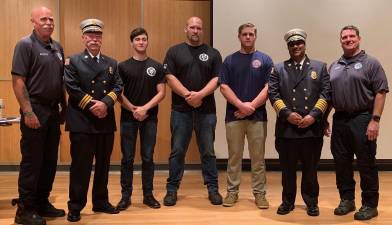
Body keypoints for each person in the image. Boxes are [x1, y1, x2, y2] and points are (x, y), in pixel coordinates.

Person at [11, 6, 66, 225]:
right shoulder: (25, 45)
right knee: (33, 162)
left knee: (49, 161)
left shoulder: (57, 47)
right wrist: (28, 111)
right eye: (43, 19)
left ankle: (42, 203)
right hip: (35, 109)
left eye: (51, 19)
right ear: (33, 21)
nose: (48, 22)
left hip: (53, 111)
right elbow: (18, 80)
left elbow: (60, 80)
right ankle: (25, 210)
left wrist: (64, 107)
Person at [327, 25, 389, 220]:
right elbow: (329, 96)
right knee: (341, 162)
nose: (348, 39)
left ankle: (370, 204)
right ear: (340, 41)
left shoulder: (371, 63)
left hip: (362, 118)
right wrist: (323, 119)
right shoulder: (334, 65)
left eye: (352, 36)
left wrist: (375, 120)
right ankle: (347, 200)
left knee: (366, 162)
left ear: (359, 39)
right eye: (344, 37)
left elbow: (381, 92)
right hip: (340, 119)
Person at [64, 18, 123, 222]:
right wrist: (94, 106)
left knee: (103, 165)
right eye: (90, 36)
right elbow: (72, 88)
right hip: (82, 121)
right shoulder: (73, 61)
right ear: (83, 38)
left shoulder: (111, 63)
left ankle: (100, 201)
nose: (94, 39)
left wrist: (105, 104)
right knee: (81, 166)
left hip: (105, 121)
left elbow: (118, 86)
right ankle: (75, 206)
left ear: (101, 39)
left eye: (98, 36)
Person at [268, 28, 330, 216]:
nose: (296, 46)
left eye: (299, 43)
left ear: (304, 44)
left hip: (311, 128)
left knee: (310, 169)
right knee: (287, 170)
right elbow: (273, 93)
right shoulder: (278, 69)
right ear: (288, 46)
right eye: (292, 44)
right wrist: (286, 113)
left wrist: (313, 115)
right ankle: (287, 202)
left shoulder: (319, 67)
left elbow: (326, 93)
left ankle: (311, 202)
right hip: (287, 128)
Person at [162, 16, 223, 206]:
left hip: (206, 112)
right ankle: (172, 190)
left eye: (198, 28)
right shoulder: (174, 51)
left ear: (202, 30)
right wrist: (189, 95)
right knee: (177, 151)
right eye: (192, 27)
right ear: (185, 29)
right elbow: (169, 77)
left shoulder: (213, 53)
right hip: (181, 111)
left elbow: (217, 79)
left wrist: (200, 96)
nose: (195, 31)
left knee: (208, 152)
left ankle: (213, 189)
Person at [219, 23, 272, 209]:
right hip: (234, 117)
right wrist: (242, 106)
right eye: (244, 34)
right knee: (234, 157)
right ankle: (232, 192)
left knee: (258, 158)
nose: (248, 37)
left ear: (255, 36)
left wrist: (251, 107)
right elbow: (224, 87)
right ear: (239, 36)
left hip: (257, 118)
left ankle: (260, 194)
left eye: (251, 34)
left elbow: (268, 88)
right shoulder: (229, 60)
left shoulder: (265, 60)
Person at [116, 27, 165, 210]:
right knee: (127, 158)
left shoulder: (156, 66)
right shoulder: (122, 66)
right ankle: (125, 196)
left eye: (144, 39)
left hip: (149, 118)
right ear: (132, 43)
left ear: (147, 41)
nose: (141, 42)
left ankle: (148, 195)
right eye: (138, 39)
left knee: (147, 157)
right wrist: (132, 109)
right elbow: (118, 93)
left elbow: (161, 93)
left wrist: (144, 109)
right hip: (128, 118)